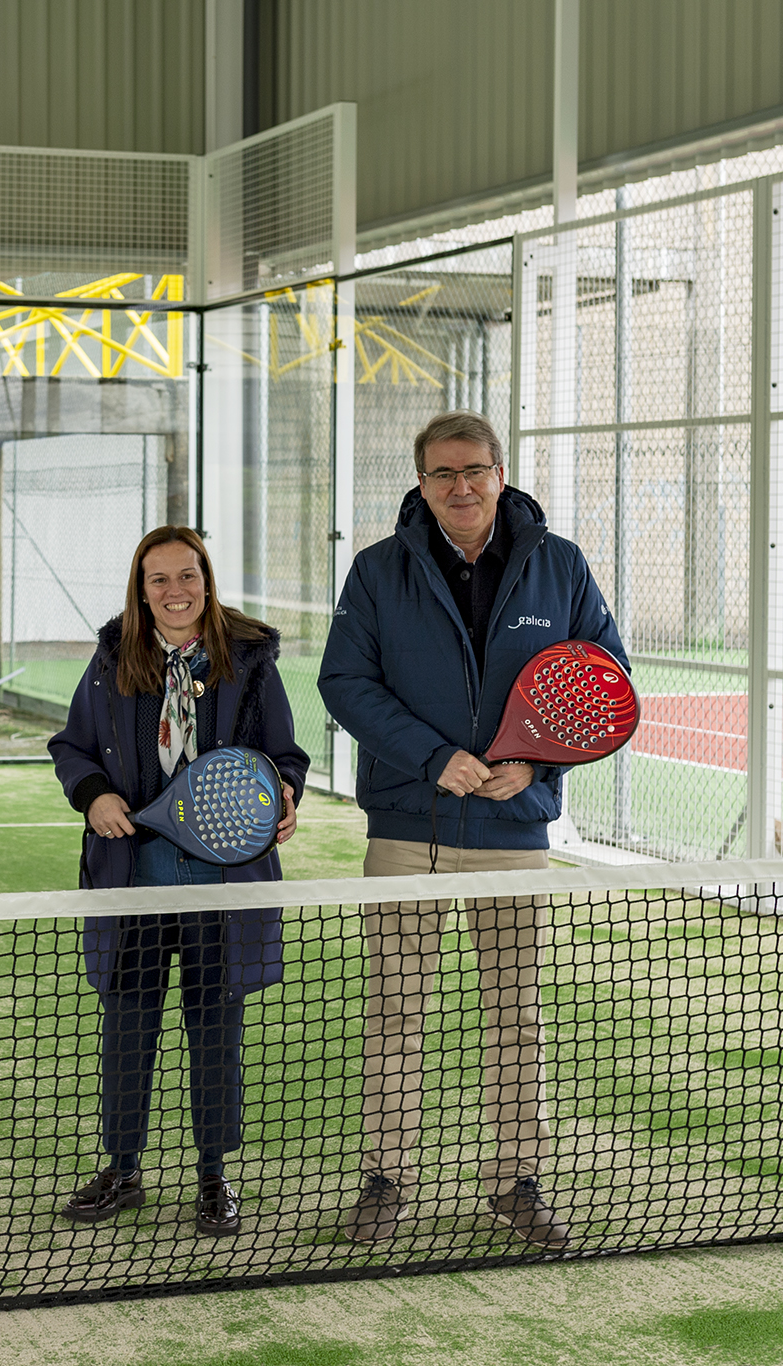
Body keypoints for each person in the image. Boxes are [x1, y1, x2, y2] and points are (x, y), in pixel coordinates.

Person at [317, 410, 628, 1249]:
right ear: (420, 483)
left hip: (514, 829)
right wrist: (431, 758)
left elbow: (604, 681)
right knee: (395, 1009)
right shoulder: (378, 571)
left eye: (475, 471)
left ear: (500, 473)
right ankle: (386, 1179)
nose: (460, 487)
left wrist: (538, 766)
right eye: (442, 474)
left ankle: (516, 1181)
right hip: (405, 829)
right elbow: (343, 681)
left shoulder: (558, 565)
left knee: (515, 1012)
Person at [48, 525, 309, 1237]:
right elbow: (70, 745)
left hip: (220, 887)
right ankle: (123, 1167)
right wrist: (95, 792)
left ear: (207, 579)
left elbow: (284, 755)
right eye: (158, 579)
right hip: (135, 878)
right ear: (141, 589)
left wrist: (284, 793)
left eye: (187, 575)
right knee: (129, 1026)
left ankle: (213, 1175)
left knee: (214, 1026)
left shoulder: (248, 660)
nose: (175, 591)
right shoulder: (112, 658)